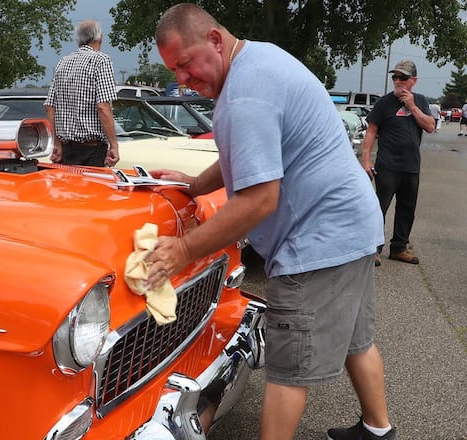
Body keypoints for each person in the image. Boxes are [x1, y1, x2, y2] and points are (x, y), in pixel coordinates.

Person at [146, 4, 395, 440]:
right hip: (356, 226)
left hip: (317, 242)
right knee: (357, 339)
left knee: (287, 368)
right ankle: (378, 430)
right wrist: (196, 185)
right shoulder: (258, 60)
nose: (182, 79)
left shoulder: (244, 94)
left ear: (215, 41)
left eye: (185, 64)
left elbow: (260, 198)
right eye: (173, 70)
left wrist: (183, 250)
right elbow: (244, 157)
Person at [362, 60, 435, 267]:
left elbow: (430, 126)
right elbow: (371, 132)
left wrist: (411, 106)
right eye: (395, 77)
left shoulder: (420, 101)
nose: (398, 81)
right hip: (387, 166)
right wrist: (366, 160)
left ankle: (399, 248)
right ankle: (374, 250)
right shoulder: (384, 103)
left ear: (413, 80)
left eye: (402, 77)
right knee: (380, 208)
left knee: (407, 208)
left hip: (411, 166)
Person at [44, 20, 119, 167]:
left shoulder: (63, 62)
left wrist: (57, 143)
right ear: (100, 38)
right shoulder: (101, 61)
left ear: (78, 40)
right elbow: (103, 106)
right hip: (93, 150)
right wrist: (114, 145)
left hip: (67, 150)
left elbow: (49, 106)